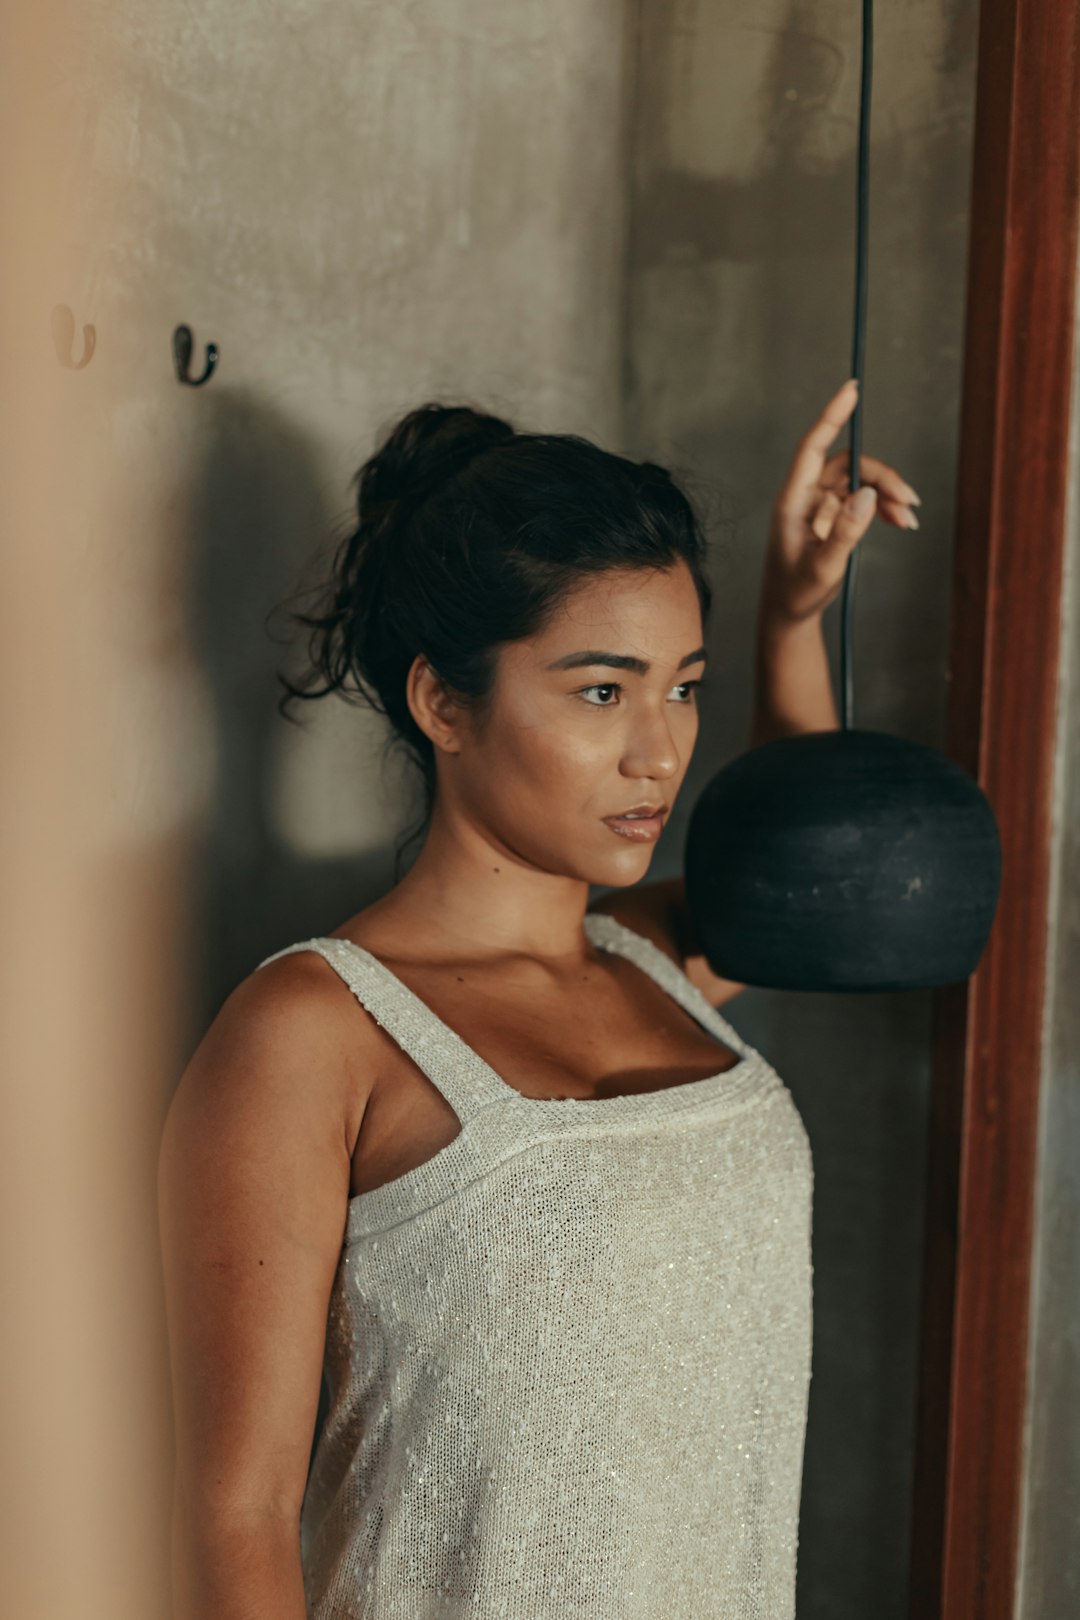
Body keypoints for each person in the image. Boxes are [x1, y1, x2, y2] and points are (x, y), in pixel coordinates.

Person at [158, 379, 920, 1619]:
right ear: (442, 701)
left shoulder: (652, 964)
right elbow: (234, 1520)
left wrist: (794, 617)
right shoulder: (312, 1033)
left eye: (683, 685)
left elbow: (801, 882)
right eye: (602, 691)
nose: (661, 751)